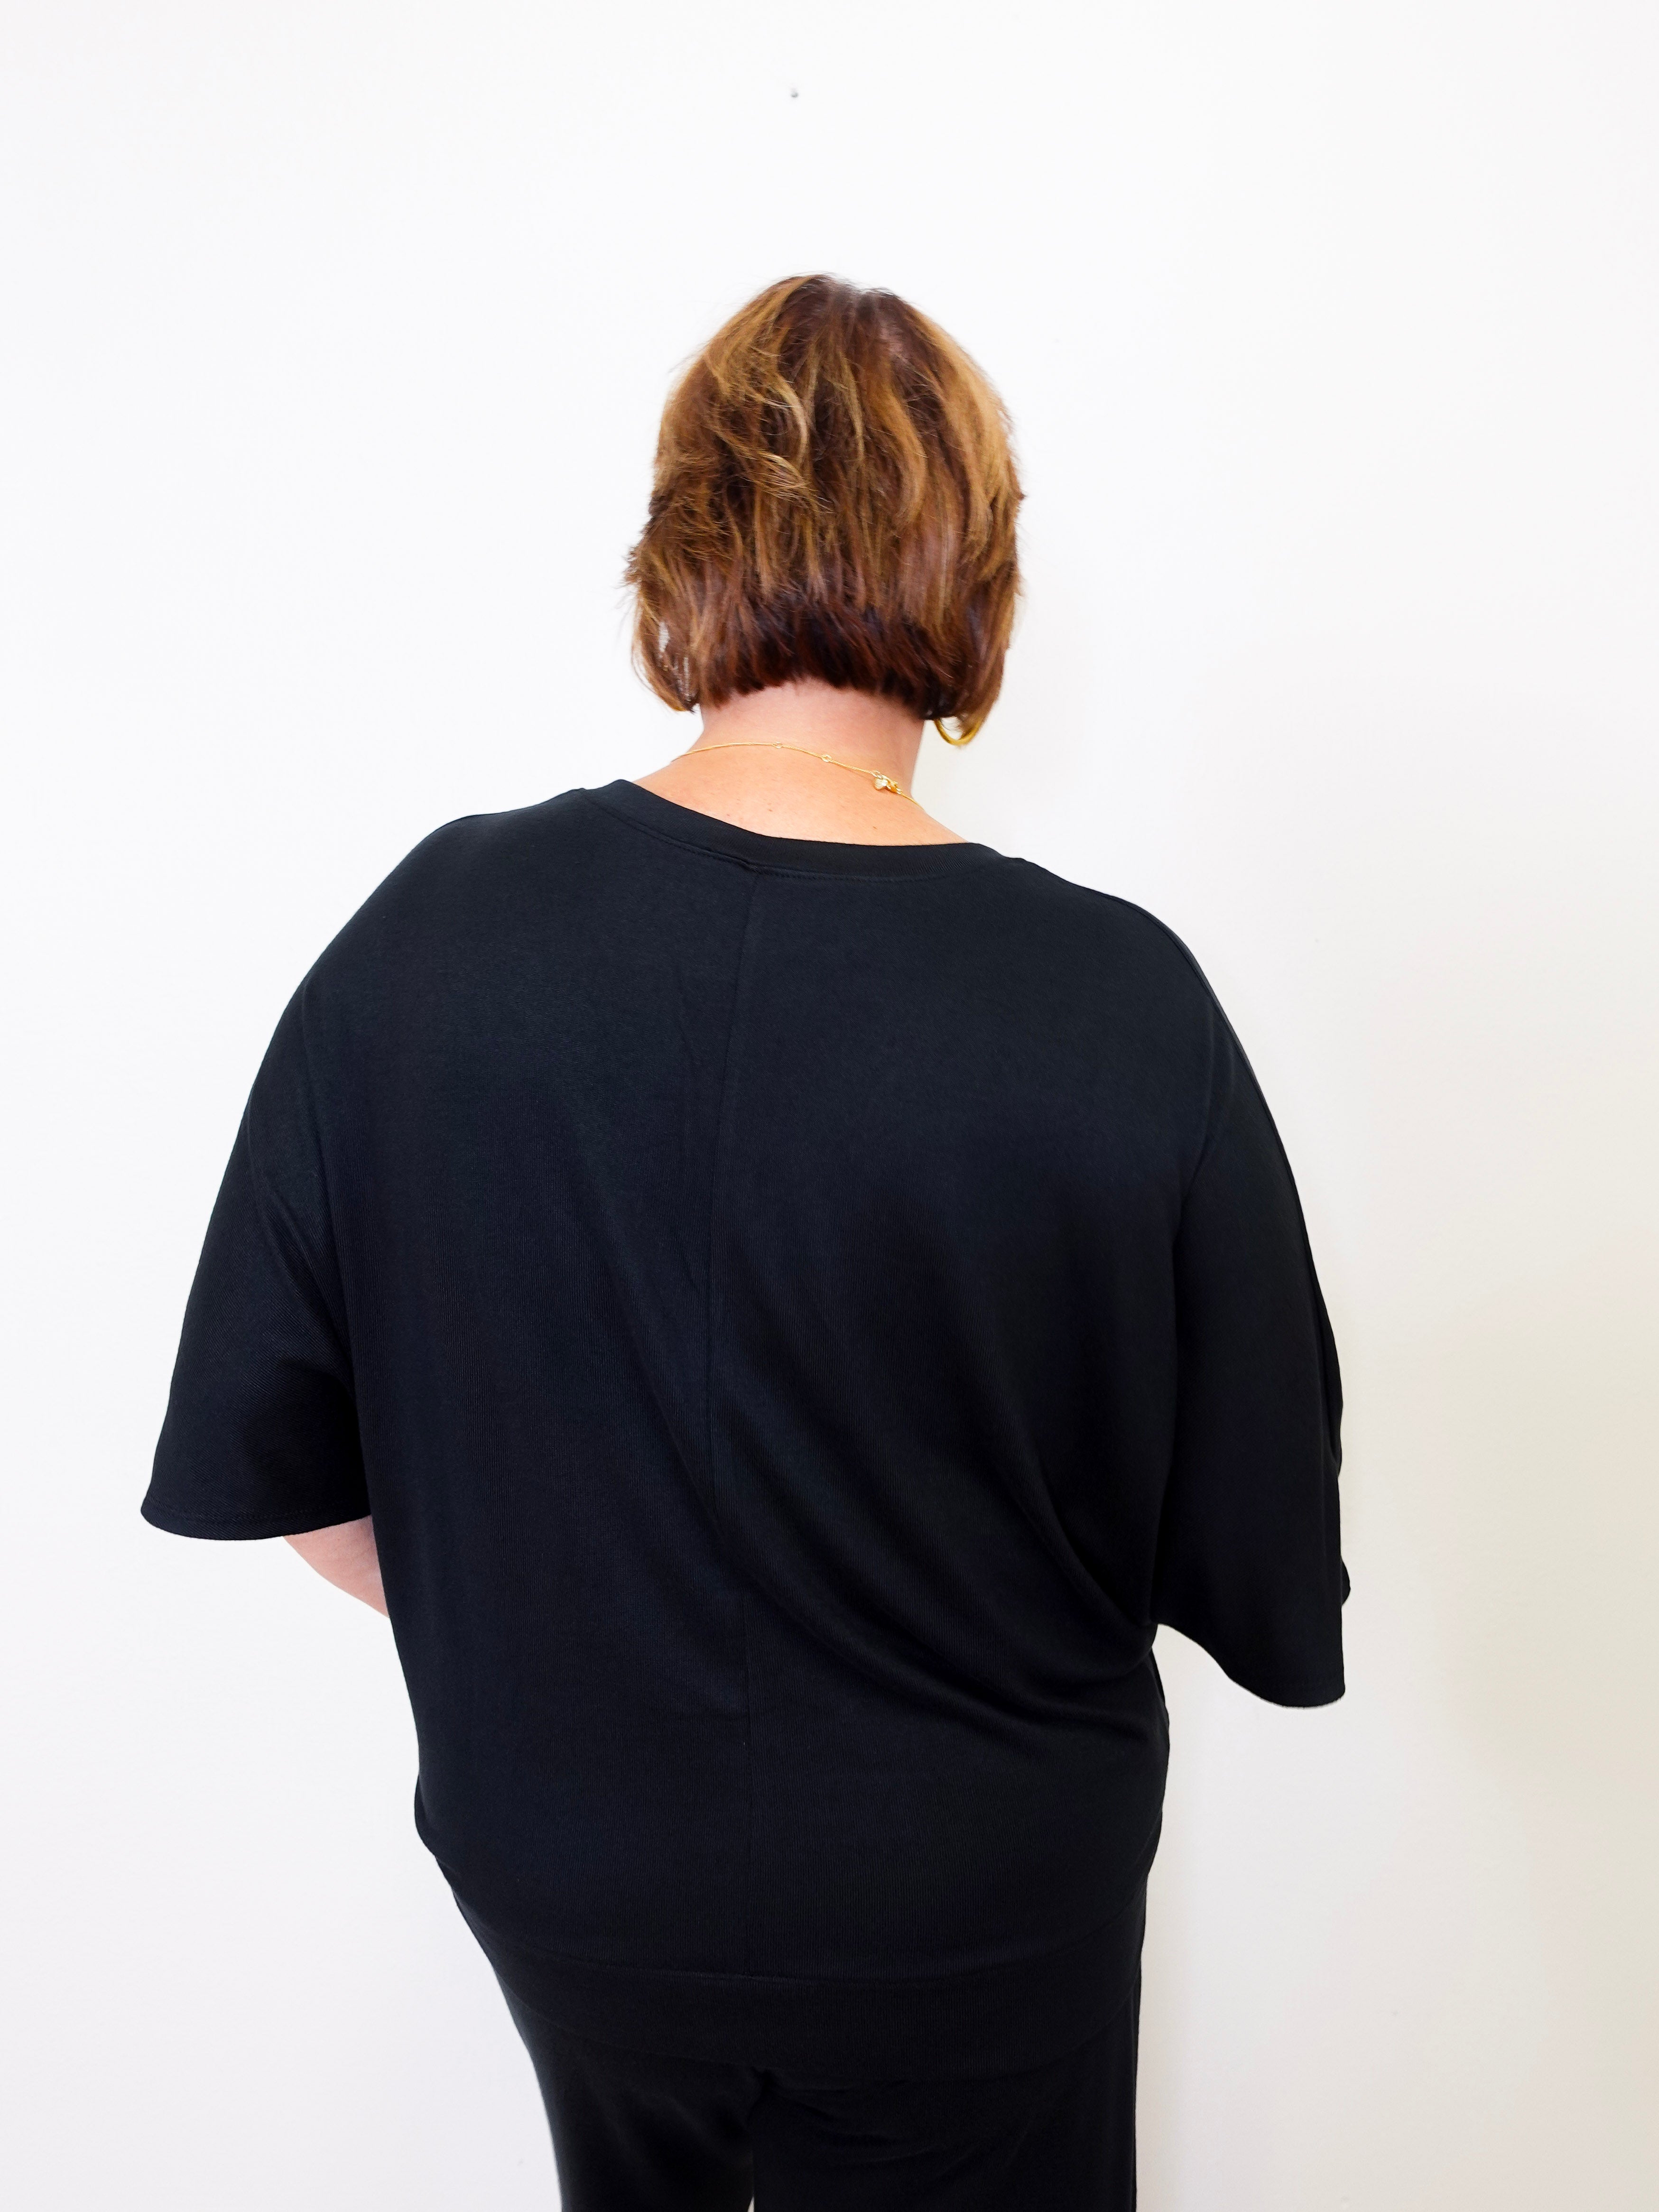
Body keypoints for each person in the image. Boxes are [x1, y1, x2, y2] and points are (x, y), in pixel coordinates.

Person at [143, 274, 1347, 2210]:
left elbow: (301, 1474)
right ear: (975, 576)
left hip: (571, 1876)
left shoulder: (423, 943)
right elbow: (1255, 1546)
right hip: (978, 1891)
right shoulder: (1116, 1000)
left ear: (684, 545)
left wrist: (570, 1628)